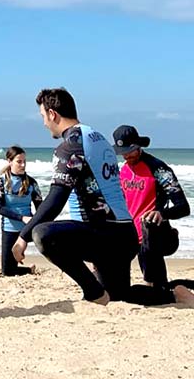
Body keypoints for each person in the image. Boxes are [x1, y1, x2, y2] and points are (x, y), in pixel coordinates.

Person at [14, 89, 193, 307]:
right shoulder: (97, 138)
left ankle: (93, 294)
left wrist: (23, 237)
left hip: (107, 234)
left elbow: (56, 199)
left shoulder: (71, 144)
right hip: (124, 235)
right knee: (118, 293)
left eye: (42, 116)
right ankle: (175, 296)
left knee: (42, 234)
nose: (43, 123)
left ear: (52, 114)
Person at [114, 125, 191, 292]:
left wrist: (161, 213)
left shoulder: (158, 169)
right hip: (129, 236)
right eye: (123, 152)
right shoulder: (124, 170)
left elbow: (183, 207)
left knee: (155, 287)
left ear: (138, 146)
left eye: (130, 150)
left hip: (154, 237)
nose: (127, 155)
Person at [0, 146, 42, 277]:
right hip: (9, 228)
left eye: (25, 161)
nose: (23, 164)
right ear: (9, 161)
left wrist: (37, 222)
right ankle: (28, 270)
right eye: (19, 161)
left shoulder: (32, 183)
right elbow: (0, 209)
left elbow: (40, 207)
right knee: (7, 272)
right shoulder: (0, 182)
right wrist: (22, 218)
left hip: (28, 228)